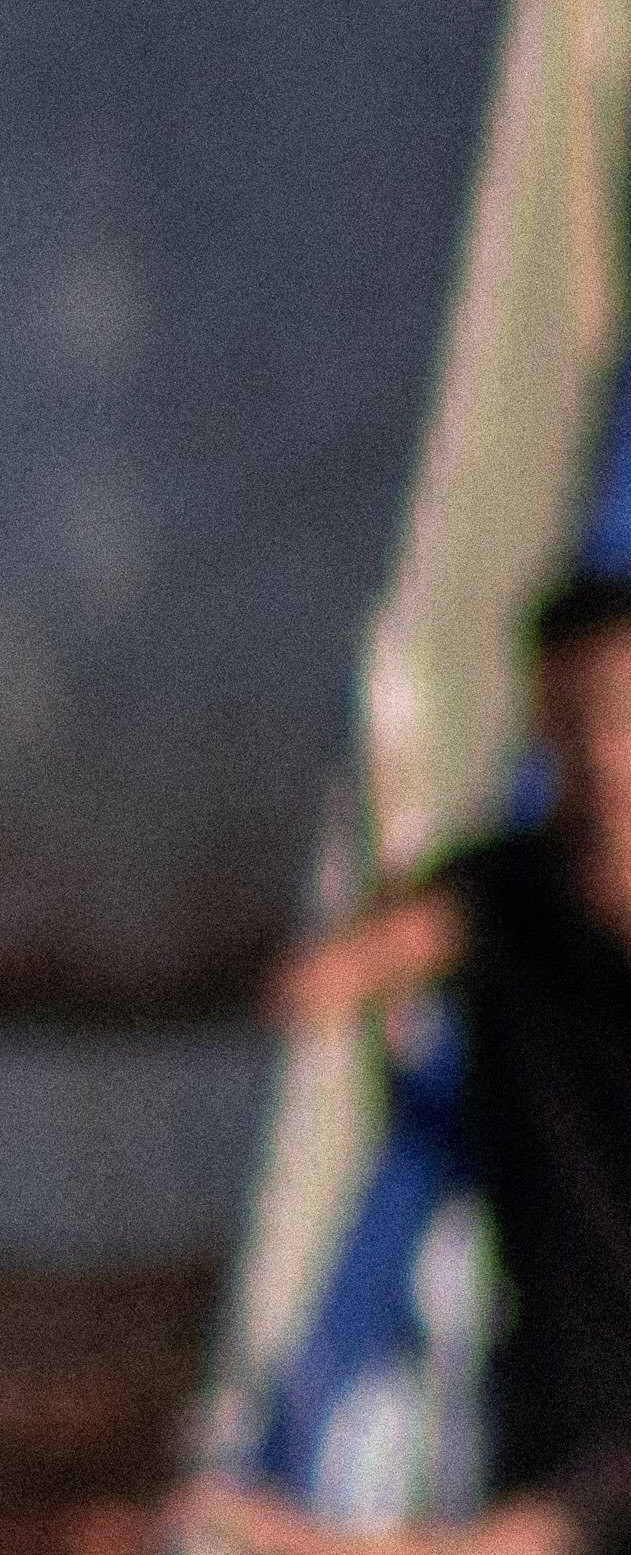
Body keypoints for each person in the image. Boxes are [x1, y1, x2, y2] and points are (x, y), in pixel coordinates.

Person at [268, 566, 631, 1503]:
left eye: (622, 718)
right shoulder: (501, 899)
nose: (599, 757)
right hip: (573, 1390)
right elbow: (324, 984)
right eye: (570, 723)